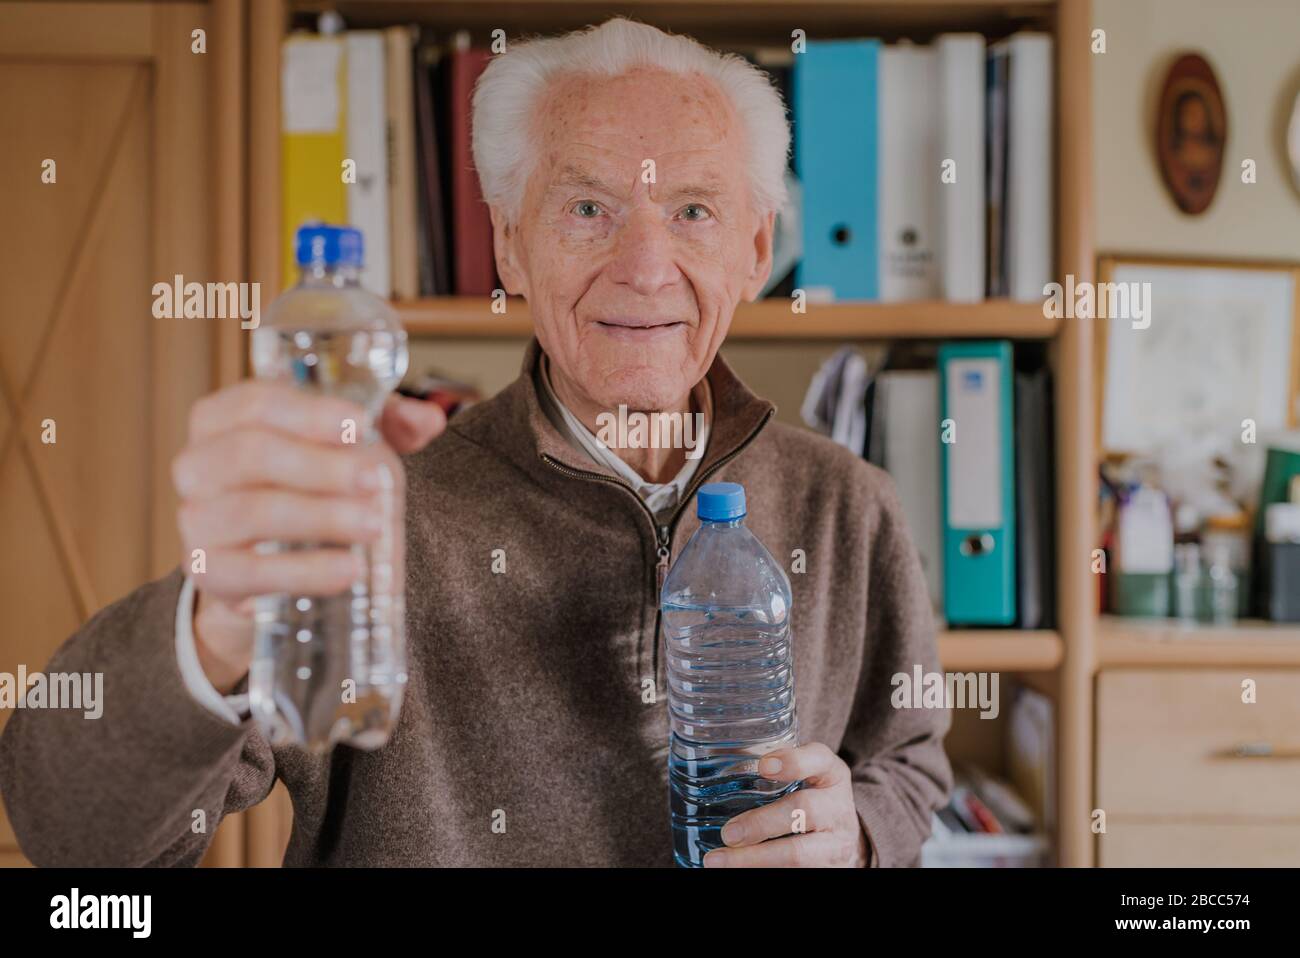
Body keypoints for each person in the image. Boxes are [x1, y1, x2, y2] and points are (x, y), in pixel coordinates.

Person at [0, 17, 950, 867]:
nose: (647, 267)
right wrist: (213, 618)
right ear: (508, 245)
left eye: (693, 211)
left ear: (753, 249)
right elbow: (75, 835)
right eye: (588, 208)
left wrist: (857, 835)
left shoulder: (848, 503)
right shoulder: (368, 515)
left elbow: (910, 764)